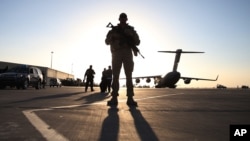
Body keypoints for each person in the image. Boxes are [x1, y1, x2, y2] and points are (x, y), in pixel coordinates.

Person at [105, 13, 140, 106]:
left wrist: (131, 35)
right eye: (122, 18)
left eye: (124, 18)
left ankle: (130, 98)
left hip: (128, 54)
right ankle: (114, 98)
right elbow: (106, 42)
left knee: (129, 76)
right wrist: (111, 37)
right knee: (115, 76)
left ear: (126, 19)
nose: (123, 19)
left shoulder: (131, 30)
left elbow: (137, 42)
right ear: (119, 19)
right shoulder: (113, 30)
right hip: (116, 53)